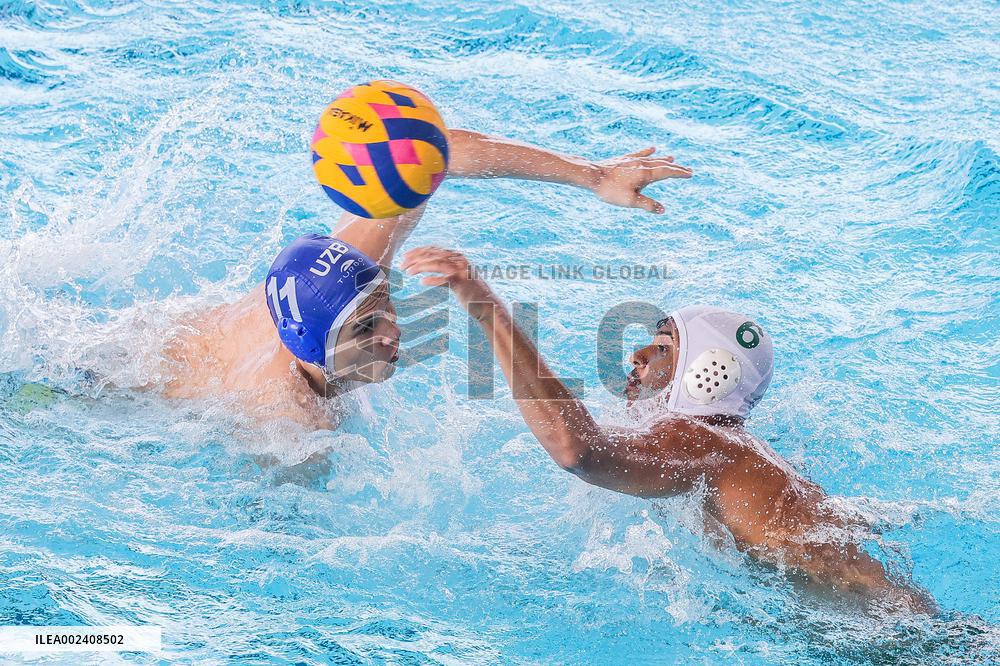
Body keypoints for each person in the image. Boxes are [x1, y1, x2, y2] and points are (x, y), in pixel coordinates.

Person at [400, 246, 935, 611]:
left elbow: (576, 449)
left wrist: (483, 304)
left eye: (664, 345)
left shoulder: (701, 440)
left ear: (707, 372)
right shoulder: (738, 452)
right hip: (885, 622)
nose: (637, 353)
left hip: (890, 636)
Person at [159, 130, 692, 428]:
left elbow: (422, 154)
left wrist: (592, 176)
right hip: (129, 380)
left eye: (384, 305)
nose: (393, 333)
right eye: (366, 331)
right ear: (317, 347)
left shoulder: (341, 277)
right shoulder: (289, 423)